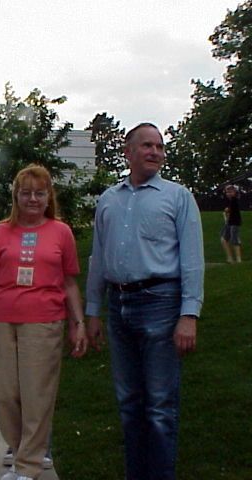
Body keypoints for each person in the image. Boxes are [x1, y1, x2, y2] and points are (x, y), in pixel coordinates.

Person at [85, 123, 204, 480]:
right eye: (147, 145)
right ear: (128, 152)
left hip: (161, 304)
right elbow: (98, 258)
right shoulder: (108, 200)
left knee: (160, 408)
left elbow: (193, 259)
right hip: (119, 306)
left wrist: (189, 314)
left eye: (160, 146)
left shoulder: (178, 197)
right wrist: (93, 311)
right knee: (129, 405)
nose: (156, 152)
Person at [0, 164, 87, 480]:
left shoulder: (61, 232)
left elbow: (69, 283)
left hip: (44, 322)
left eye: (39, 193)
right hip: (2, 321)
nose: (33, 199)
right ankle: (21, 450)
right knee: (4, 395)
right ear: (16, 197)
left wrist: (78, 323)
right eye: (26, 193)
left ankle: (27, 466)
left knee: (37, 395)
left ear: (49, 196)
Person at [220, 184, 242, 263]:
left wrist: (226, 212)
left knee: (234, 240)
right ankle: (230, 258)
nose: (228, 194)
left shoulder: (234, 200)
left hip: (234, 223)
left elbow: (228, 211)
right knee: (224, 240)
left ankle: (238, 259)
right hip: (230, 222)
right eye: (227, 192)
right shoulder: (230, 201)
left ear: (234, 192)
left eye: (230, 192)